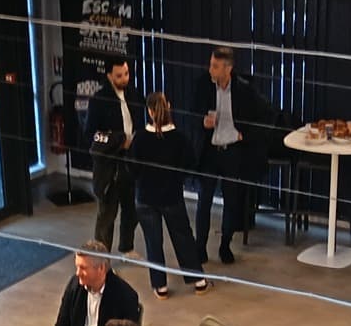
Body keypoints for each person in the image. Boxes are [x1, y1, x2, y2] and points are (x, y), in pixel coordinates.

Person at [193, 46, 278, 266]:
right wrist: (202, 121)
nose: (210, 69)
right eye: (210, 64)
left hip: (232, 151)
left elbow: (268, 115)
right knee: (204, 200)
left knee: (231, 202)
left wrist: (245, 135)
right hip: (210, 151)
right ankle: (199, 247)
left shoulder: (244, 90)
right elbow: (192, 112)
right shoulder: (203, 84)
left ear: (228, 68)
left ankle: (225, 246)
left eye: (215, 66)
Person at [130, 91, 211, 296]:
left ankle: (160, 286)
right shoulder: (179, 139)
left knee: (153, 242)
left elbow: (132, 169)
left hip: (145, 198)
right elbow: (190, 164)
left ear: (149, 111)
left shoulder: (139, 138)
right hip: (172, 197)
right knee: (183, 237)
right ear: (169, 107)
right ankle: (198, 280)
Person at [85, 56, 143, 253]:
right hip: (109, 166)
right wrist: (119, 140)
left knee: (131, 211)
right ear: (109, 76)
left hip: (130, 162)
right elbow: (91, 135)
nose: (124, 79)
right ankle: (101, 258)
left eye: (126, 74)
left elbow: (139, 123)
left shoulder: (134, 94)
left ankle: (127, 247)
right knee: (107, 215)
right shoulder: (99, 100)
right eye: (119, 76)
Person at [53, 242, 142, 326]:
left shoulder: (126, 296)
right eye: (77, 267)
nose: (77, 273)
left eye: (83, 268)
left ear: (101, 268)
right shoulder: (74, 285)